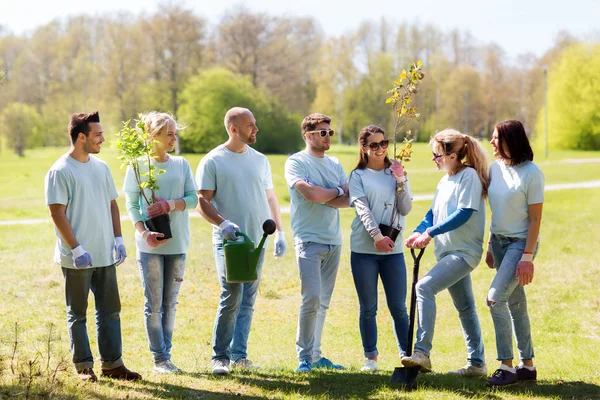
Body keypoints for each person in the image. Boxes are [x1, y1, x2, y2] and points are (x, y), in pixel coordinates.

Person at [44, 112, 141, 382]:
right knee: (78, 313)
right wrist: (75, 249)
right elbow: (57, 214)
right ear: (81, 137)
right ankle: (84, 367)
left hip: (104, 254)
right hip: (77, 257)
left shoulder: (101, 167)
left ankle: (112, 364)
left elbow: (112, 203)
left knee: (110, 310)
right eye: (98, 134)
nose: (103, 138)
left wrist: (119, 239)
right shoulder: (60, 170)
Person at [196, 107, 286, 375]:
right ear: (233, 129)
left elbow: (270, 198)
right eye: (250, 125)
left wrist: (280, 232)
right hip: (230, 243)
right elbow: (202, 202)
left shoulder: (260, 160)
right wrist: (222, 224)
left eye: (255, 124)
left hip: (258, 241)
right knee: (232, 295)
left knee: (248, 298)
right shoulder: (213, 160)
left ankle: (239, 355)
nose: (255, 129)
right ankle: (220, 357)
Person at [402, 129, 489, 377]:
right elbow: (432, 214)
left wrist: (430, 233)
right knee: (466, 308)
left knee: (424, 288)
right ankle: (477, 364)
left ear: (452, 155)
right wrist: (419, 232)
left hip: (463, 253)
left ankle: (422, 353)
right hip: (448, 252)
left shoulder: (469, 177)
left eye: (437, 154)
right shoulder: (445, 180)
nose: (434, 159)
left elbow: (464, 212)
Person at [123, 112, 198, 374]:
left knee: (170, 304)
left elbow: (193, 199)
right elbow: (132, 204)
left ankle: (166, 355)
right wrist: (144, 233)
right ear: (152, 136)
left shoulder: (181, 164)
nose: (173, 139)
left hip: (178, 246)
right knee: (153, 304)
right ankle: (160, 360)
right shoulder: (137, 165)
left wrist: (170, 204)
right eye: (169, 134)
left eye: (175, 134)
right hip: (149, 247)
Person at [284, 113, 350, 373]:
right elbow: (309, 194)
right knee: (310, 298)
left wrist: (325, 194)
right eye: (323, 133)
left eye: (330, 132)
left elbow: (349, 199)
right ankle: (304, 357)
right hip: (308, 240)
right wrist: (333, 192)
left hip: (334, 240)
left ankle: (316, 355)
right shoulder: (296, 162)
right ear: (308, 135)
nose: (328, 137)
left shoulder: (334, 163)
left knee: (322, 301)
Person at [484, 120, 544, 386]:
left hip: (520, 245)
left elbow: (535, 220)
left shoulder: (532, 172)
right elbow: (496, 212)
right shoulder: (495, 169)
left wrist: (527, 258)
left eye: (496, 138)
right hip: (498, 243)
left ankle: (506, 366)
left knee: (496, 299)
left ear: (511, 140)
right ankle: (527, 366)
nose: (492, 142)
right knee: (516, 303)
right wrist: (489, 245)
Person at [348, 125, 412, 372]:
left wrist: (401, 180)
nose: (380, 149)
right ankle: (370, 358)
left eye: (383, 143)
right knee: (368, 307)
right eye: (373, 145)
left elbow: (405, 209)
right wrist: (376, 236)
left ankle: (407, 356)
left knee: (399, 307)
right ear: (364, 148)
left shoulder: (396, 171)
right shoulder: (357, 176)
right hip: (364, 250)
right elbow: (362, 209)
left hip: (393, 251)